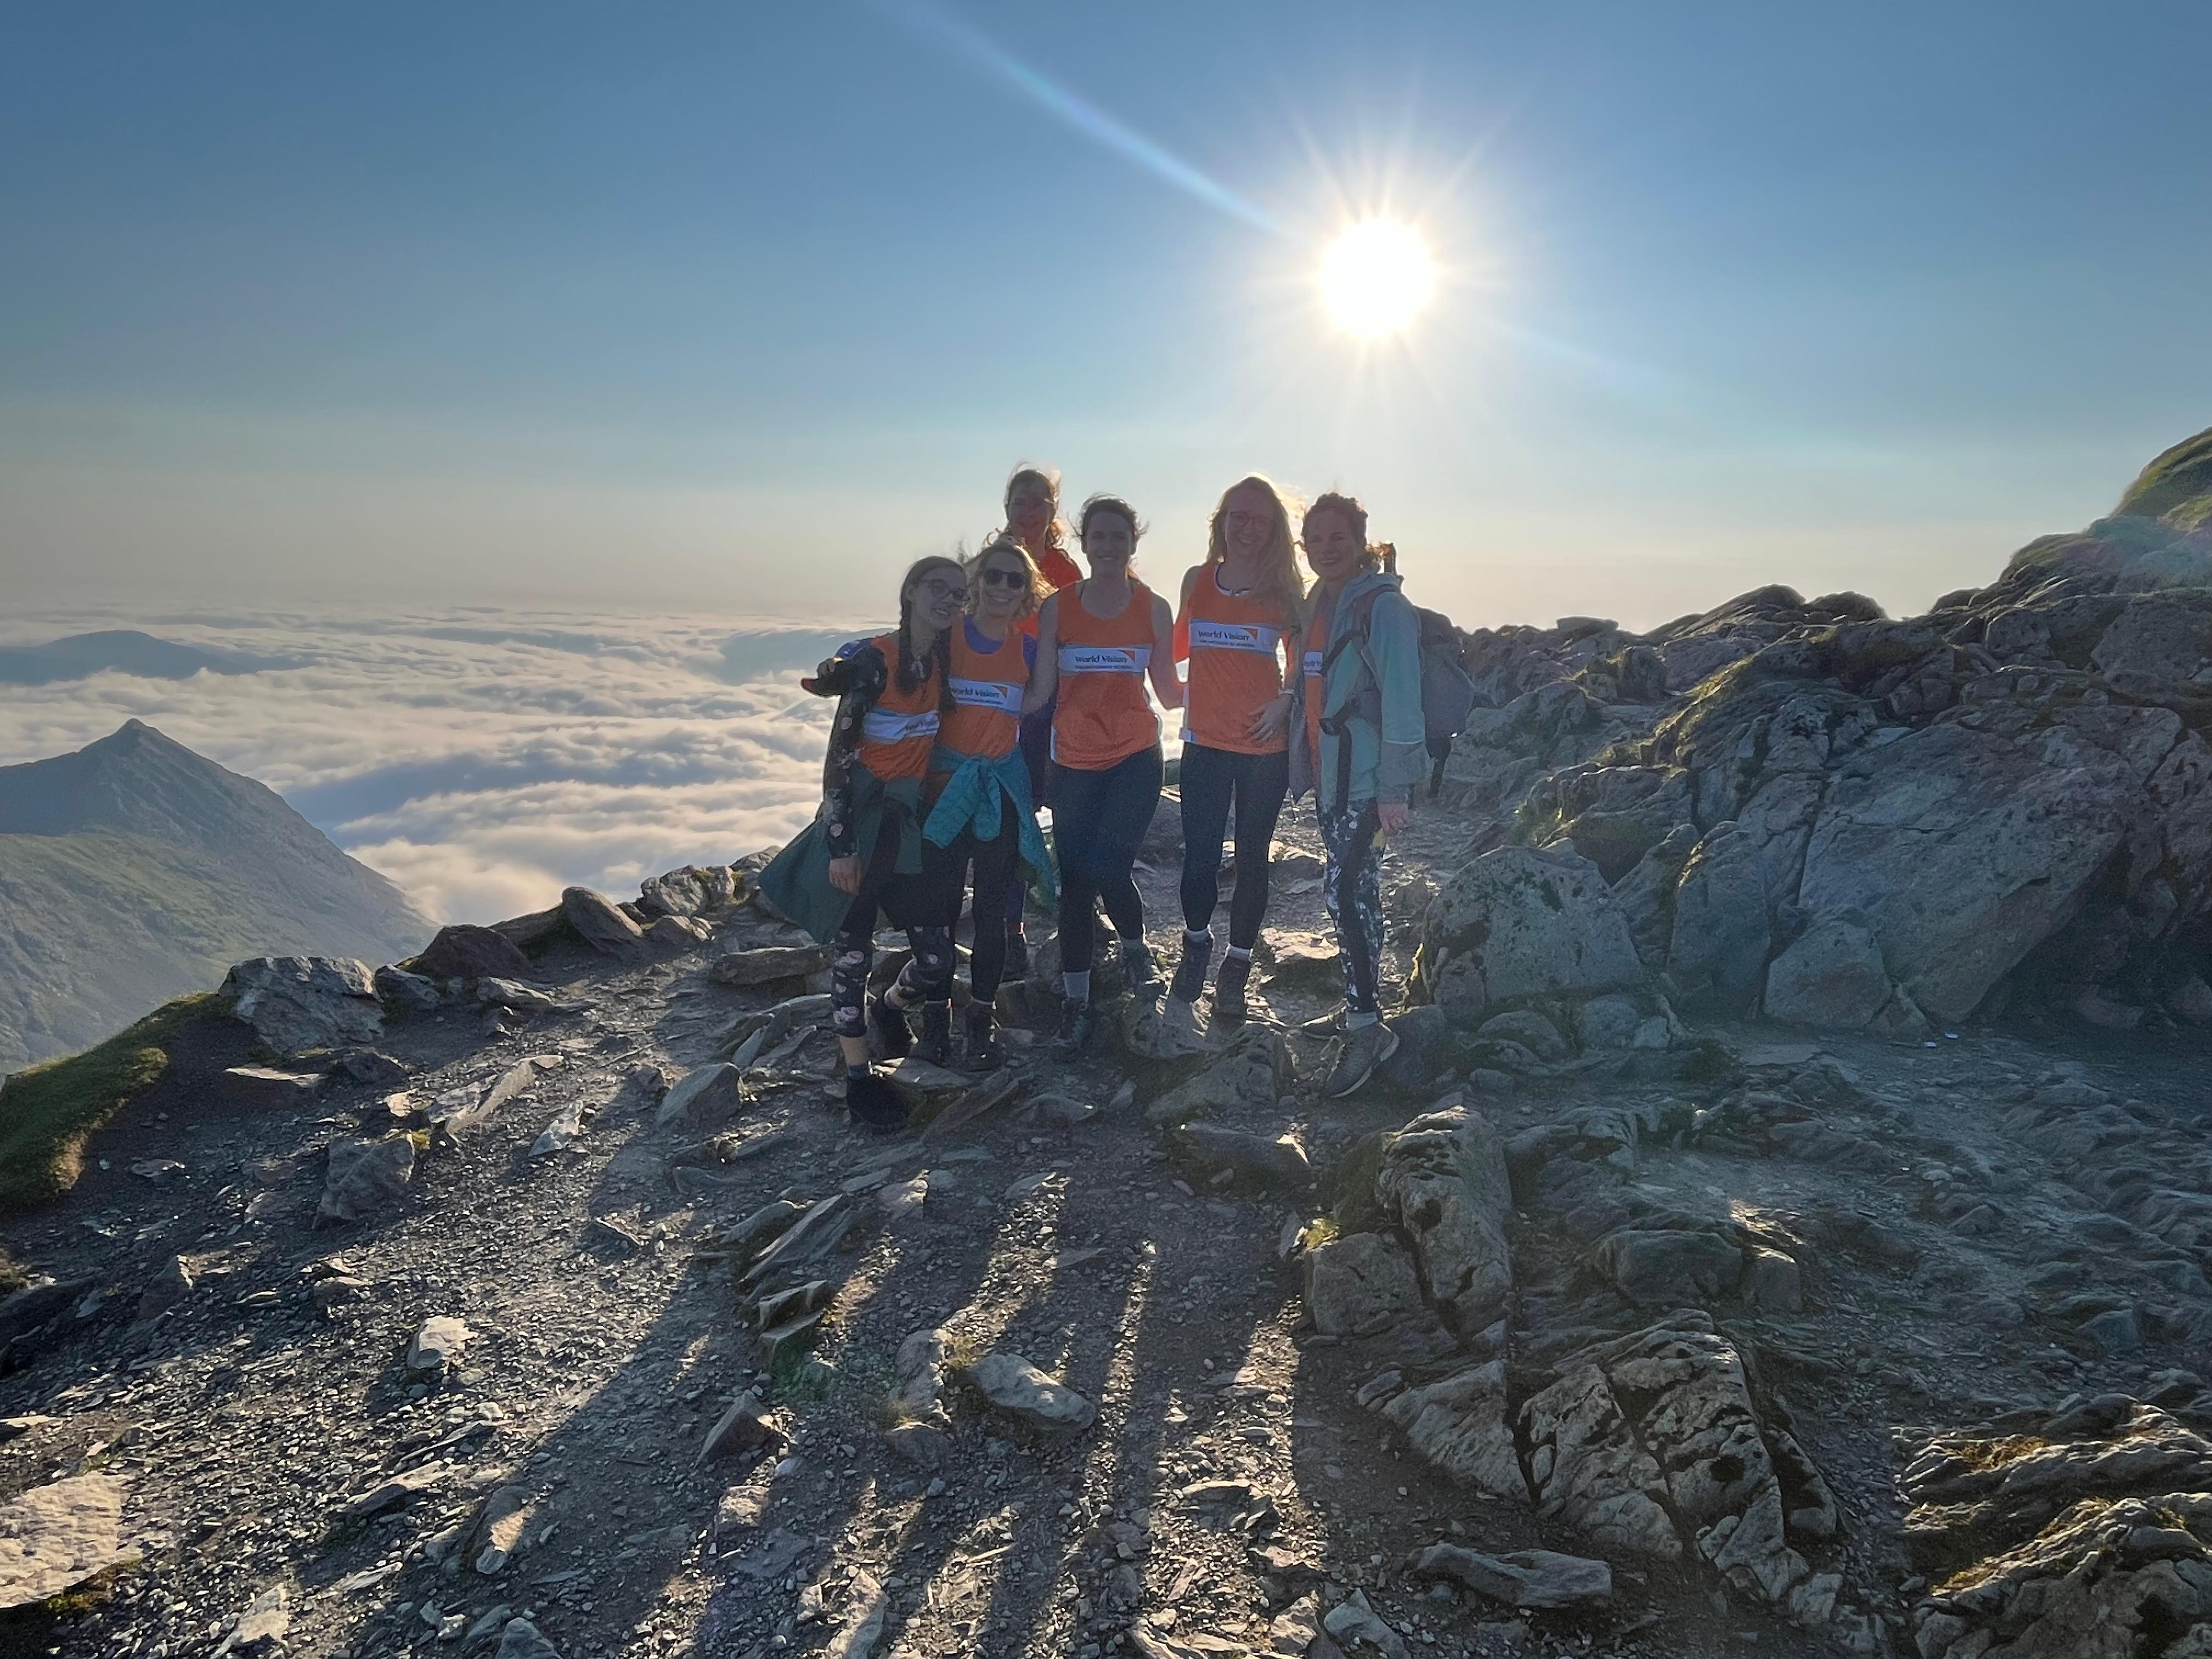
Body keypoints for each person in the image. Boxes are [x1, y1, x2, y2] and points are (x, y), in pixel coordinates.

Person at [758, 556, 969, 1130]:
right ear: (911, 592)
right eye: (936, 588)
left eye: (957, 593)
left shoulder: (936, 662)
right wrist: (841, 847)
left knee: (934, 958)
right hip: (862, 827)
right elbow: (838, 763)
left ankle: (890, 1006)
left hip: (908, 826)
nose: (947, 600)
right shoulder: (877, 664)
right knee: (852, 956)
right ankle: (858, 1079)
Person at [1022, 494, 1181, 1052]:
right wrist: (976, 705)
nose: (1109, 546)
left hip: (1136, 755)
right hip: (1073, 761)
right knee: (1075, 886)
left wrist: (1263, 689)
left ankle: (1137, 951)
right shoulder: (1058, 609)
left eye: (1120, 537)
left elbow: (1169, 691)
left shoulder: (1153, 608)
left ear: (1132, 544)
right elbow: (1040, 692)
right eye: (1100, 536)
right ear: (1084, 543)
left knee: (1111, 867)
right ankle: (1077, 1001)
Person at [1289, 493, 1425, 1098]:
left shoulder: (1384, 607)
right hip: (1331, 774)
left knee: (1341, 890)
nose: (1326, 547)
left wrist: (1396, 787)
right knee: (1361, 887)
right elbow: (1310, 681)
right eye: (1314, 539)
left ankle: (1368, 1029)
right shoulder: (1322, 602)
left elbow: (1403, 697)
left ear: (1360, 537)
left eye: (1336, 536)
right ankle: (1361, 1002)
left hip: (1368, 778)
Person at [1167, 475, 1305, 1029]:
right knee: (1199, 856)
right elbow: (1170, 648)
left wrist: (1286, 701)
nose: (1247, 528)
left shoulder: (1284, 590)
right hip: (1203, 740)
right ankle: (1197, 944)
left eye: (1259, 520)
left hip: (1261, 745)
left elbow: (1302, 655)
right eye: (1238, 517)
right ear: (1221, 522)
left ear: (1273, 531)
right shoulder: (1198, 581)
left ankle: (1238, 966)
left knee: (1253, 856)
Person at [921, 534, 1057, 1071]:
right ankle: (934, 1020)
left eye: (1015, 579)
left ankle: (980, 1018)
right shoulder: (945, 638)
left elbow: (1041, 699)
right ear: (975, 582)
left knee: (995, 909)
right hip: (944, 789)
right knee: (939, 910)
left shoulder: (1026, 649)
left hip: (1000, 789)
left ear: (1027, 592)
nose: (1003, 586)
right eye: (994, 576)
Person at [1001, 464, 1084, 978]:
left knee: (1070, 814)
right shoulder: (990, 566)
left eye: (1040, 504)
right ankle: (1010, 930)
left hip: (1057, 707)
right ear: (1006, 507)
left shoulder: (1066, 570)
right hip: (1005, 708)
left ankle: (1077, 919)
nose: (1029, 513)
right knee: (1011, 821)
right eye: (1021, 502)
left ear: (1054, 512)